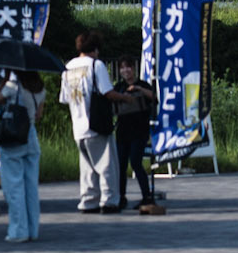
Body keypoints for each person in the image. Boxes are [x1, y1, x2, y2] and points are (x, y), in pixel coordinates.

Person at [61, 29, 118, 212]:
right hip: (96, 124)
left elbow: (64, 98)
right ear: (95, 48)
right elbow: (107, 92)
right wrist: (127, 98)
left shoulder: (68, 67)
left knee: (87, 168)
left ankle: (88, 201)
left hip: (78, 126)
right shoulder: (96, 65)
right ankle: (109, 201)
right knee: (106, 164)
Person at [0, 68, 45, 242]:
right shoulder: (40, 88)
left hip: (14, 137)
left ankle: (18, 231)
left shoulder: (13, 86)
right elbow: (39, 115)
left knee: (14, 186)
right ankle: (33, 229)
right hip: (31, 135)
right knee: (31, 187)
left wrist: (5, 79)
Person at [110, 58, 163, 213]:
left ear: (134, 69)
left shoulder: (143, 84)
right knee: (120, 165)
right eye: (122, 68)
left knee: (136, 162)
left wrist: (138, 89)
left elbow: (154, 98)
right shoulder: (118, 87)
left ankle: (147, 196)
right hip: (122, 130)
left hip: (139, 130)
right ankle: (121, 197)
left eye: (128, 67)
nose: (125, 71)